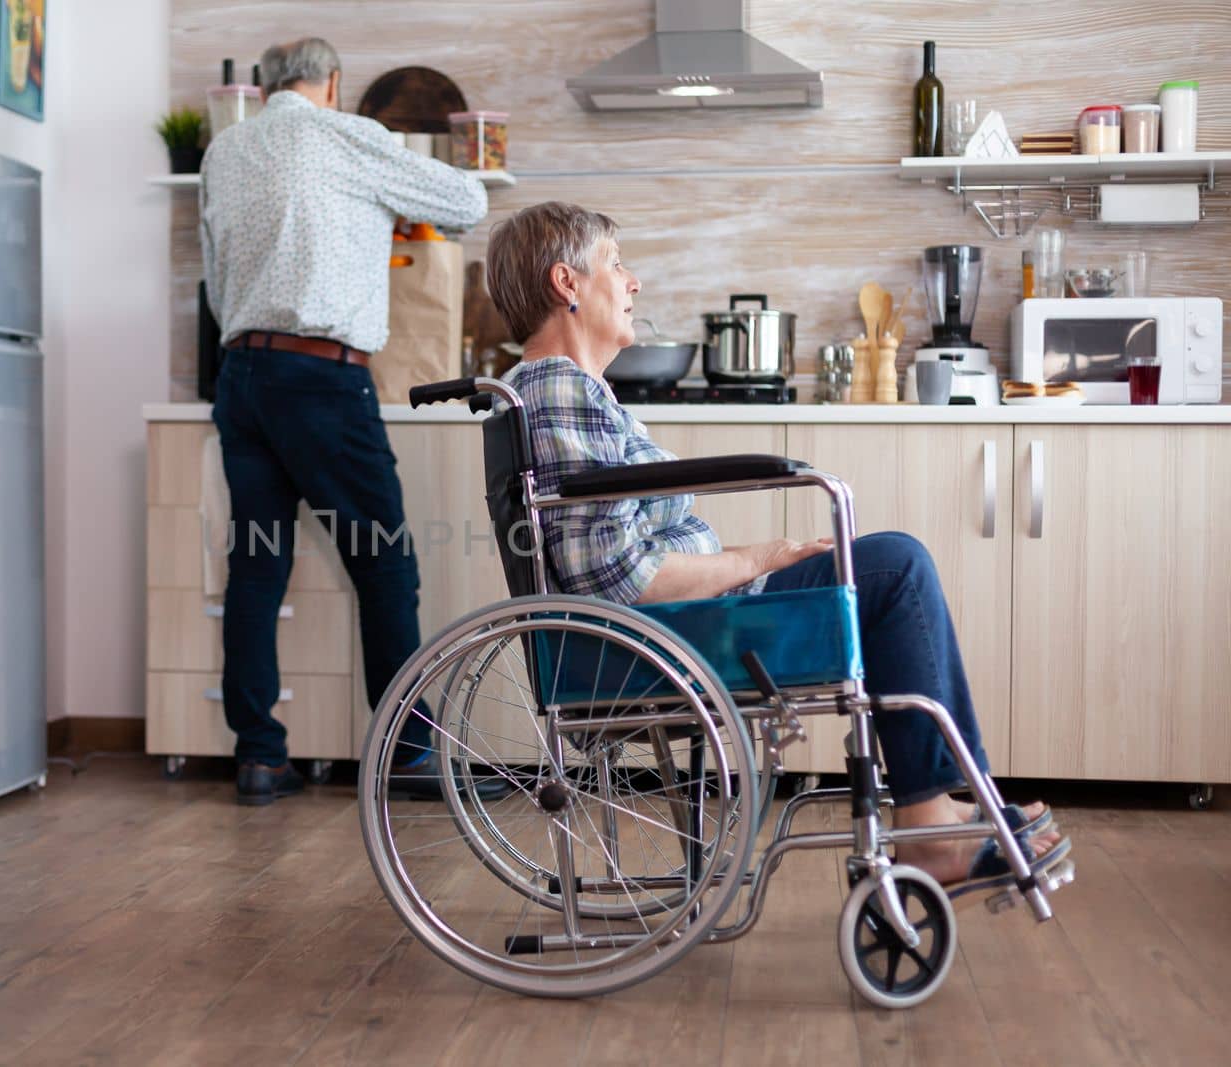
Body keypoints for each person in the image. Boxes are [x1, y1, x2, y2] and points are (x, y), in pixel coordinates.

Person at [483, 201, 1069, 891]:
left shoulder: (560, 391)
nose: (632, 281)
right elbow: (623, 579)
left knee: (884, 568)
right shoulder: (562, 390)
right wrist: (760, 558)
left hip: (666, 632)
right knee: (895, 569)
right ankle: (930, 820)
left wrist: (758, 560)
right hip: (657, 642)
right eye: (616, 264)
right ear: (567, 284)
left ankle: (932, 810)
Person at [200, 38, 488, 805]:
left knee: (257, 567)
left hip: (241, 374)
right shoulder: (345, 133)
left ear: (263, 90)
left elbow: (214, 276)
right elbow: (467, 201)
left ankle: (260, 756)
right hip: (321, 379)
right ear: (333, 83)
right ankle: (410, 752)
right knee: (385, 564)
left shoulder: (225, 153)